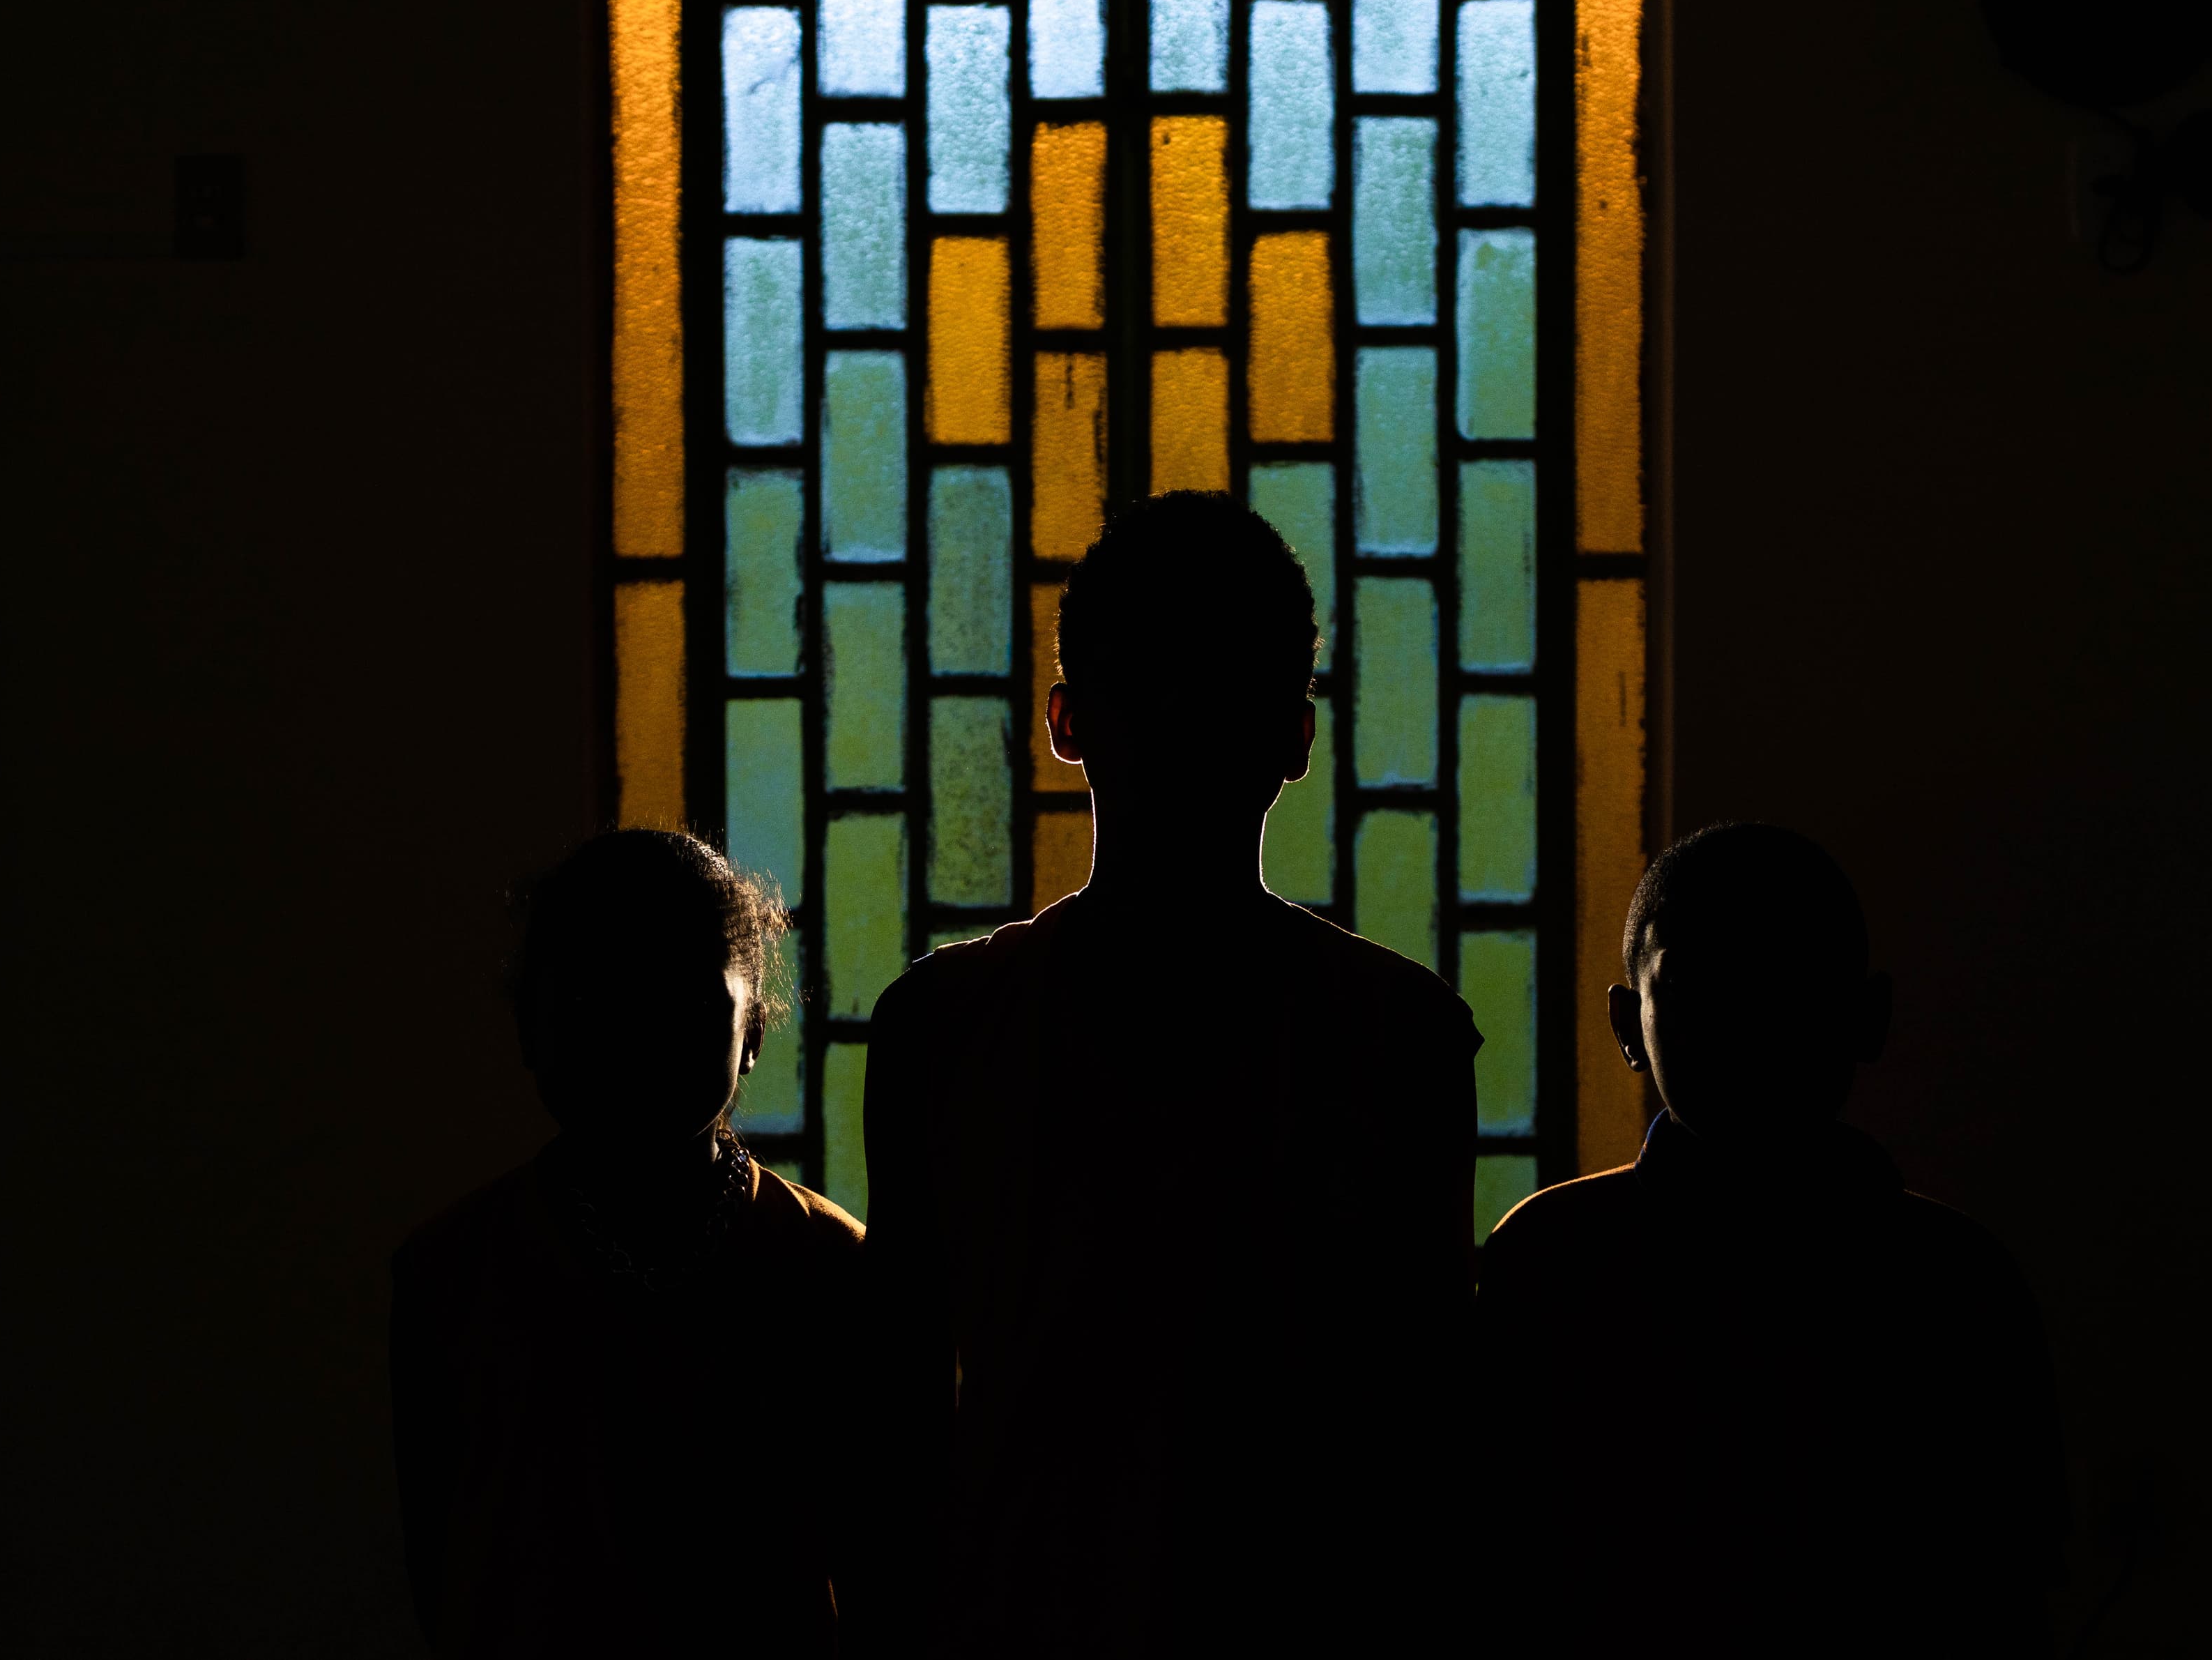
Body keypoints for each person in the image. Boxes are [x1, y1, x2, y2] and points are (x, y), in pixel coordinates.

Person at [858, 492, 1481, 1658]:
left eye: (1215, 685)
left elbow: (896, 1446)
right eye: (1164, 682)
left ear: (1065, 721)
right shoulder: (1400, 1036)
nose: (1188, 717)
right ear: (1301, 737)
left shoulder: (944, 1030)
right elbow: (1431, 1450)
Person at [1474, 823, 2067, 1658]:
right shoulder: (1544, 1267)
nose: (1749, 1022)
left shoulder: (1554, 1258)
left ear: (1867, 1017)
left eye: (1793, 984)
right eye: (1697, 986)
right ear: (1623, 1022)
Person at [390, 830, 863, 1659]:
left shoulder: (837, 1273)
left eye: (679, 998)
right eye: (590, 1001)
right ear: (528, 1031)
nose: (635, 1033)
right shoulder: (449, 1277)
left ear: (754, 1030)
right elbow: (448, 1567)